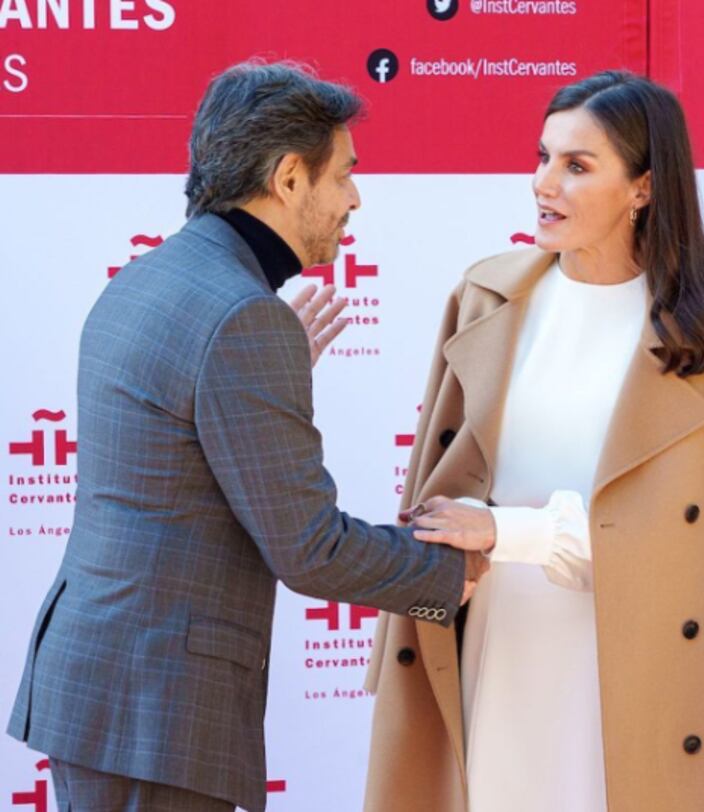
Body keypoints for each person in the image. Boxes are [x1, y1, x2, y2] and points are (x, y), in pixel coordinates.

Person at [6, 61, 487, 812]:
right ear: (289, 177)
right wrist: (453, 576)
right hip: (156, 712)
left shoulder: (153, 277)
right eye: (345, 174)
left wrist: (262, 363)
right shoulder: (242, 318)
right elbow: (310, 549)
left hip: (103, 689)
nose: (355, 199)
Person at [364, 70, 704, 812]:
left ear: (643, 188)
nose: (544, 183)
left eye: (576, 165)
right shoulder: (486, 299)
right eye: (543, 157)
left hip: (647, 668)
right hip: (499, 644)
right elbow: (434, 492)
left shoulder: (703, 334)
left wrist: (508, 531)